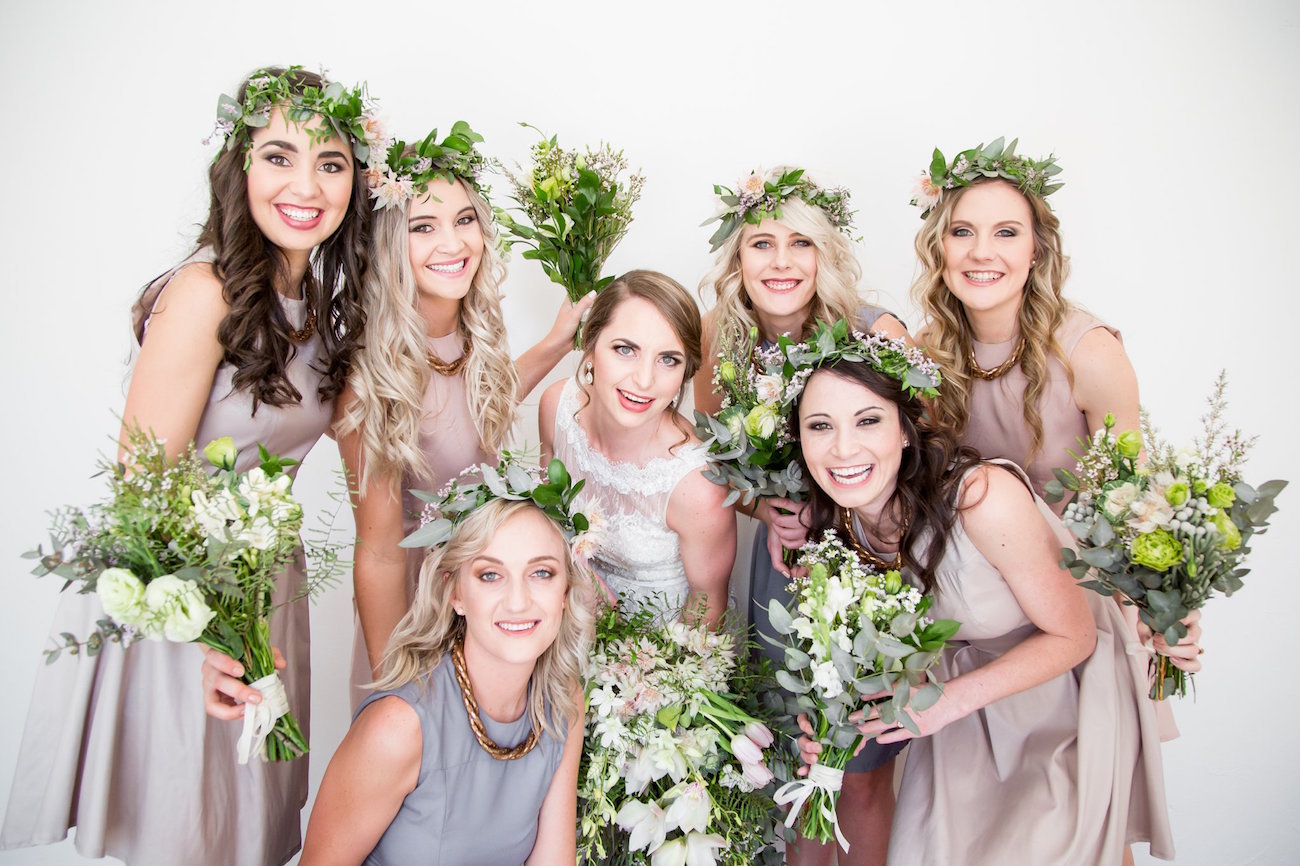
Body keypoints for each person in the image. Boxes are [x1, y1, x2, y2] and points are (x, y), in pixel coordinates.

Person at [1, 67, 376, 866]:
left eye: (332, 162)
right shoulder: (205, 292)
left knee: (254, 827)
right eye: (280, 156)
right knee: (191, 831)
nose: (306, 185)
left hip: (269, 588)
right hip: (180, 602)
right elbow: (140, 496)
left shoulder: (323, 304)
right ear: (239, 170)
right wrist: (202, 637)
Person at [790, 331, 1173, 865]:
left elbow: (1075, 634)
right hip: (958, 718)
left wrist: (948, 702)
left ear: (905, 430)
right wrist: (833, 731)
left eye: (868, 420)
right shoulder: (834, 529)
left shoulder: (982, 498)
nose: (843, 448)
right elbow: (882, 664)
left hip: (1057, 694)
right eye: (820, 427)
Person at [908, 137, 1201, 704]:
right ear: (938, 246)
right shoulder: (926, 357)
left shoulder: (1088, 352)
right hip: (972, 628)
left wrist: (1170, 605)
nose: (981, 252)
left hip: (1076, 620)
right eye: (962, 231)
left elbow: (1136, 498)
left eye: (1006, 233)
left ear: (1037, 250)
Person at [332, 124, 592, 705]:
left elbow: (474, 412)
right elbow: (377, 552)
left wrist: (556, 342)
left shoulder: (471, 336)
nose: (453, 244)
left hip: (492, 595)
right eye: (424, 227)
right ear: (390, 243)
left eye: (464, 219)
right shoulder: (369, 375)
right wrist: (396, 689)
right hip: (418, 610)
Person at [694, 168, 907, 865]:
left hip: (869, 564)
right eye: (762, 244)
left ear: (826, 254)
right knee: (796, 763)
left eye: (800, 244)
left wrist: (834, 516)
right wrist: (771, 509)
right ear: (737, 258)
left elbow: (921, 455)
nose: (781, 262)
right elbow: (713, 462)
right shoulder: (718, 345)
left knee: (863, 772)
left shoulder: (876, 332)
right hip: (778, 568)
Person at [300, 456, 592, 865]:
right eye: (490, 575)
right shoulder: (398, 727)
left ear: (565, 591)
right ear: (454, 592)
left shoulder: (563, 702)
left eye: (541, 573)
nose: (518, 601)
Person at [539, 270, 735, 624]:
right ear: (591, 345)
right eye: (625, 349)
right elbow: (546, 522)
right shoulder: (557, 408)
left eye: (668, 359)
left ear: (685, 373)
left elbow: (707, 611)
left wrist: (648, 675)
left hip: (657, 659)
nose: (644, 380)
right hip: (565, 629)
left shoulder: (698, 486)